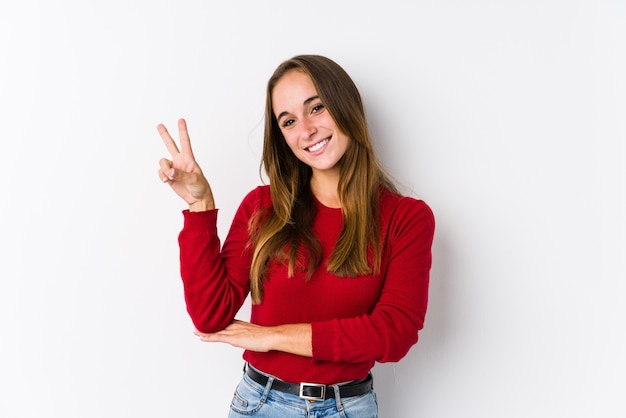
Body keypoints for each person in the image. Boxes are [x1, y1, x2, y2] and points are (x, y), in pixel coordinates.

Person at [157, 54, 435, 417]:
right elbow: (210, 315)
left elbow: (394, 334)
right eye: (288, 121)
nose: (306, 130)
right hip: (260, 404)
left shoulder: (407, 218)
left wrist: (271, 336)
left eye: (316, 108)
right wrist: (200, 204)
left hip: (347, 408)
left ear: (345, 104)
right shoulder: (263, 207)